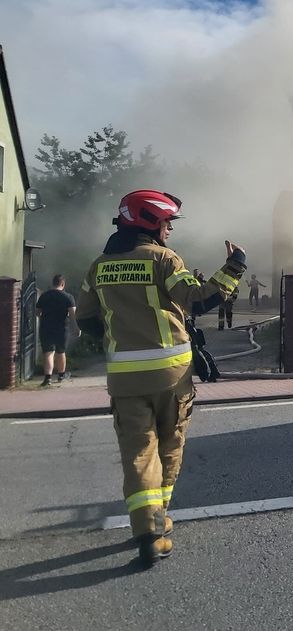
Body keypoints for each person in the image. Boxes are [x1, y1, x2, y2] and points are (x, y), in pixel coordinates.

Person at [76, 189, 246, 567]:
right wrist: (235, 266)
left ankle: (148, 531)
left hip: (125, 381)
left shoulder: (98, 266)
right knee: (170, 444)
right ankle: (160, 518)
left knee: (138, 454)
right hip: (172, 376)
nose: (169, 229)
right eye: (166, 222)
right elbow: (200, 300)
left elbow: (86, 320)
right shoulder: (163, 259)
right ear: (150, 221)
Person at [36, 274, 76, 386]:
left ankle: (47, 378)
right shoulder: (68, 297)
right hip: (62, 328)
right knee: (60, 351)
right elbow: (73, 315)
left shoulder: (44, 296)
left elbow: (37, 312)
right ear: (63, 284)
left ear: (53, 283)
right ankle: (61, 376)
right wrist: (76, 328)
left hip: (46, 328)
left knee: (48, 352)